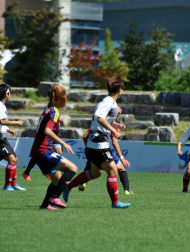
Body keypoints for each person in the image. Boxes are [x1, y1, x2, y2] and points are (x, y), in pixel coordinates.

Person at [63, 75, 131, 208]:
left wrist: (116, 125)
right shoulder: (108, 102)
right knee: (112, 170)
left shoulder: (110, 102)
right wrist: (114, 131)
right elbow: (99, 118)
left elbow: (103, 118)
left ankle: (67, 187)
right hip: (99, 141)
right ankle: (115, 202)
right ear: (120, 89)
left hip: (96, 142)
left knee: (95, 173)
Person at [29, 83, 78, 209]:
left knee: (57, 180)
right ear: (61, 98)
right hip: (43, 151)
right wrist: (63, 143)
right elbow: (47, 131)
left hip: (37, 151)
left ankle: (45, 205)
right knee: (72, 168)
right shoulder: (54, 112)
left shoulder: (48, 109)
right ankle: (55, 197)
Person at [78, 106, 133, 195]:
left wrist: (88, 147)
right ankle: (126, 190)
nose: (118, 115)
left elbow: (84, 136)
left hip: (92, 149)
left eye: (119, 113)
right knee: (120, 169)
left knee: (92, 165)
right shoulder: (111, 126)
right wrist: (122, 158)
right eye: (118, 113)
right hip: (104, 150)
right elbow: (115, 143)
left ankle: (83, 183)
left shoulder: (98, 123)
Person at [0, 83, 26, 191]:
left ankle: (13, 184)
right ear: (7, 94)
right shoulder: (0, 106)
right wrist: (17, 122)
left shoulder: (2, 105)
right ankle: (7, 185)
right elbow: (1, 121)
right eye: (9, 93)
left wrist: (8, 129)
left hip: (2, 138)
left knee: (14, 159)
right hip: (0, 140)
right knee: (12, 159)